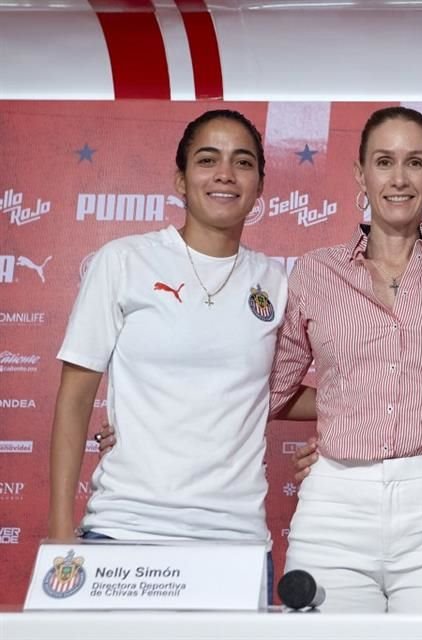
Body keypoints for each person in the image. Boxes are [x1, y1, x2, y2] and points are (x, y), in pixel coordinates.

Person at [49, 110, 288, 593]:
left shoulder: (277, 282)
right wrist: (58, 535)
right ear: (180, 180)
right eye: (207, 160)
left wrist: (362, 417)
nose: (224, 173)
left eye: (242, 162)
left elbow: (276, 388)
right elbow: (74, 402)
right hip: (125, 533)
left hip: (235, 542)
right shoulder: (124, 261)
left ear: (260, 185)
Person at [268, 106, 422, 613]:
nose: (399, 177)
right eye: (384, 161)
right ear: (360, 173)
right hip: (334, 504)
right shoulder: (316, 273)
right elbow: (271, 392)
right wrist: (345, 413)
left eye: (415, 162)